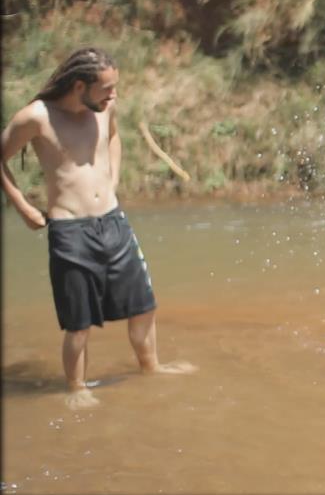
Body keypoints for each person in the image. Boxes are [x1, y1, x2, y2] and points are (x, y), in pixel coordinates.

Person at [1, 47, 196, 409]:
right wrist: (23, 206)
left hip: (113, 221)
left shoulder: (105, 109)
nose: (113, 95)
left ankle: (151, 368)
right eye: (107, 88)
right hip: (69, 231)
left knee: (144, 305)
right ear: (79, 86)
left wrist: (113, 180)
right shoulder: (37, 117)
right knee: (79, 322)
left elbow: (114, 138)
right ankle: (77, 388)